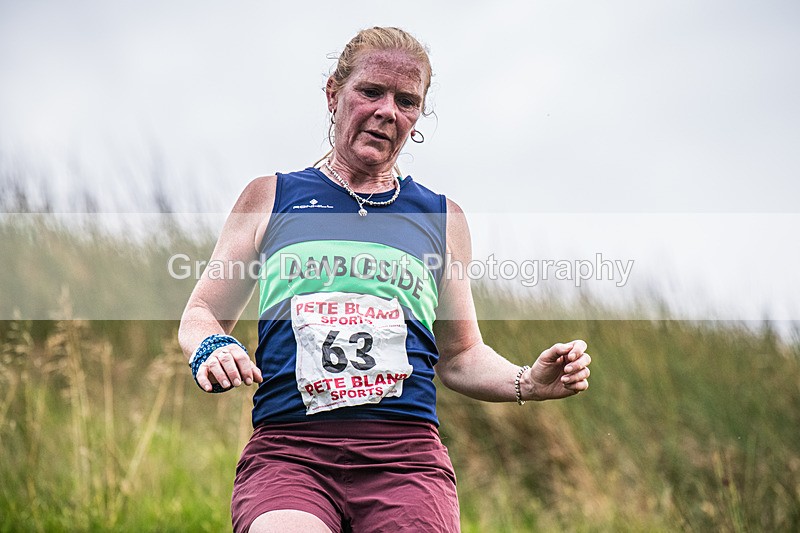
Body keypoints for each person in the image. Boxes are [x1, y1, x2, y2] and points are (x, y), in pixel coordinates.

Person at [179, 26, 591, 533]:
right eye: (371, 92)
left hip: (406, 463)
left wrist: (527, 380)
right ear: (334, 94)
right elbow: (202, 314)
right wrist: (210, 346)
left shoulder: (441, 219)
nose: (387, 111)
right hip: (291, 455)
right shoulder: (271, 197)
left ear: (417, 116)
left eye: (406, 100)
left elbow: (460, 354)